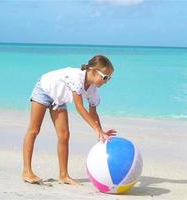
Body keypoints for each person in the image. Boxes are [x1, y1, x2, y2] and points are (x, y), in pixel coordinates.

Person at [22, 55, 117, 185]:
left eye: (109, 78)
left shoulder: (93, 90)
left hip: (59, 99)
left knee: (64, 136)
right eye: (105, 77)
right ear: (94, 71)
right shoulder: (76, 77)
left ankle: (63, 175)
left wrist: (101, 133)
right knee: (34, 130)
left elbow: (93, 112)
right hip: (44, 90)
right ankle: (27, 171)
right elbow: (79, 107)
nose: (107, 81)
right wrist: (97, 130)